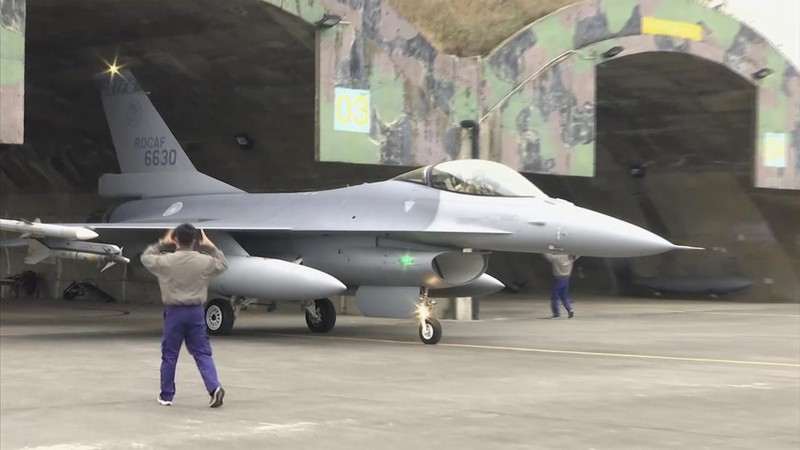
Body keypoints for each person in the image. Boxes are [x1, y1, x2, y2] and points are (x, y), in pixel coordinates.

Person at [141, 223, 229, 408]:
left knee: (170, 354)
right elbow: (223, 264)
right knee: (202, 352)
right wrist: (211, 246)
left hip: (174, 312)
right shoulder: (204, 261)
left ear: (175, 240)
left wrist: (162, 243)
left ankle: (166, 395)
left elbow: (146, 257)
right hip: (196, 311)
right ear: (195, 241)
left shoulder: (166, 261)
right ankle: (214, 387)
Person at [544, 253, 579, 319]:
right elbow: (578, 254)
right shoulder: (570, 257)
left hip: (558, 279)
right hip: (566, 279)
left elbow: (547, 255)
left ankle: (556, 315)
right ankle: (570, 309)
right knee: (564, 296)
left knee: (554, 297)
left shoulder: (556, 257)